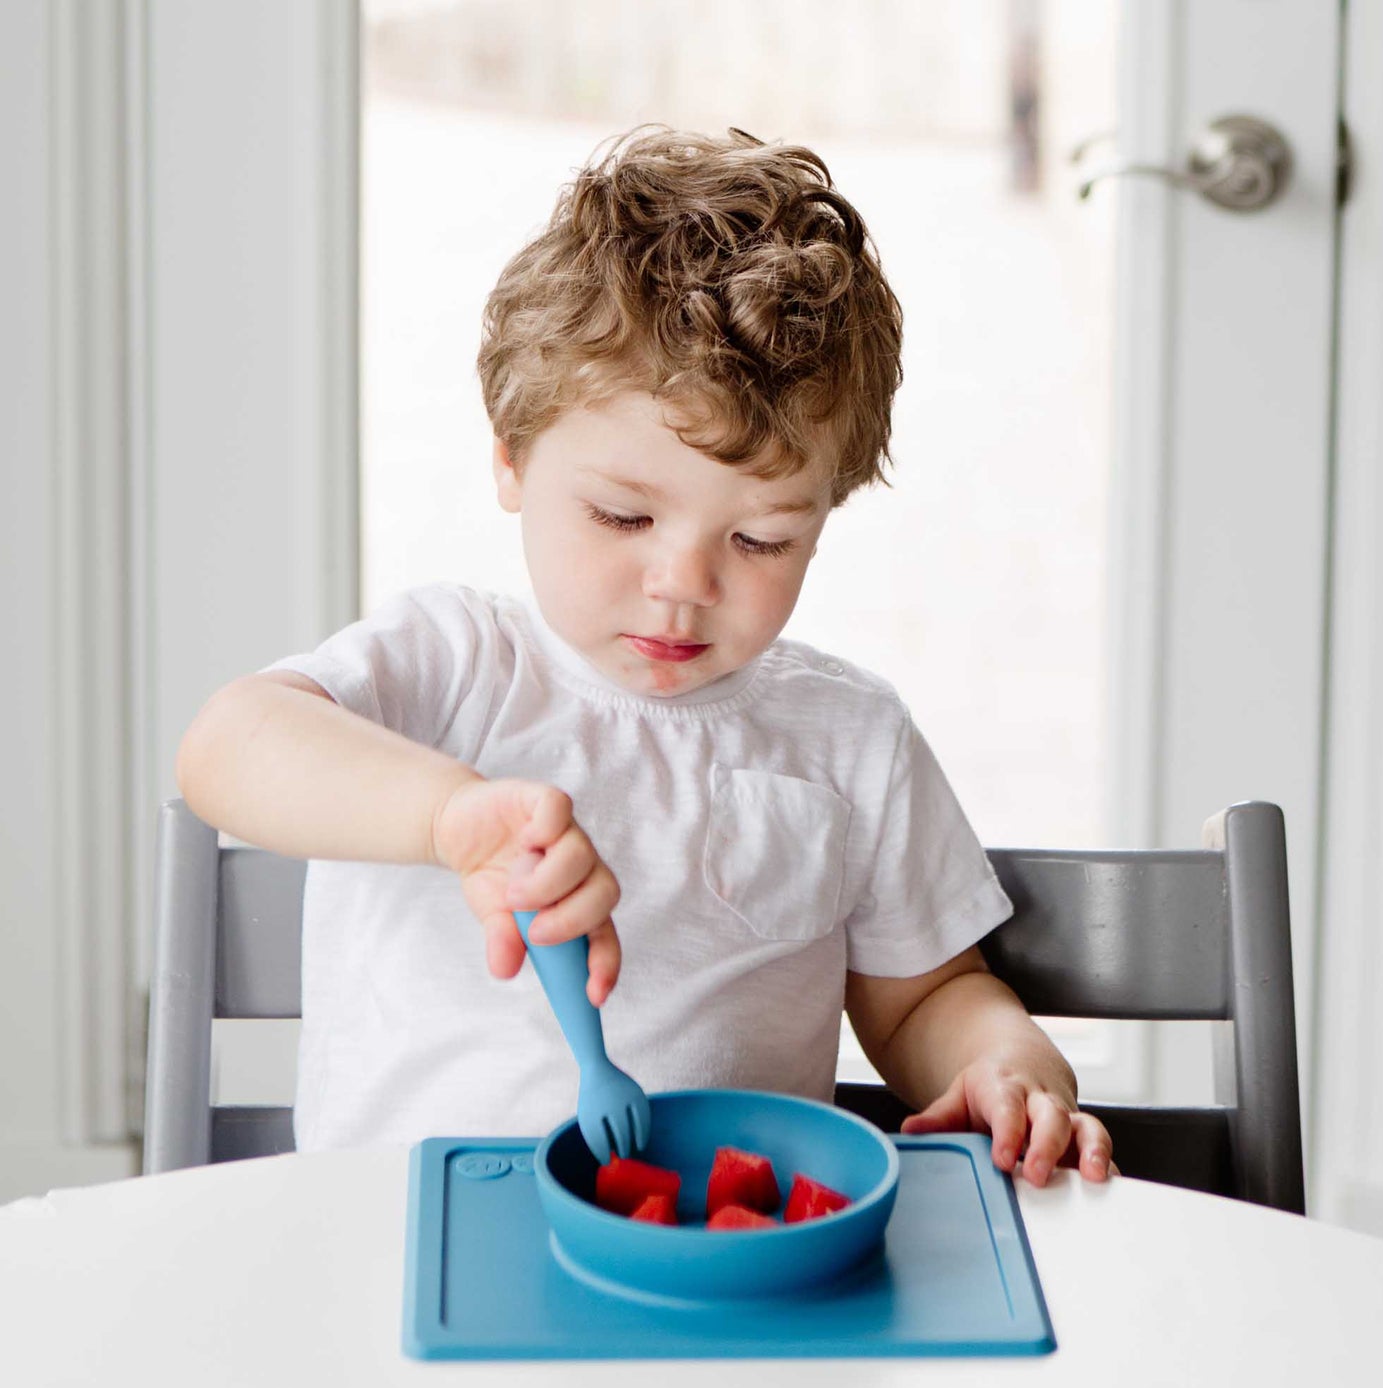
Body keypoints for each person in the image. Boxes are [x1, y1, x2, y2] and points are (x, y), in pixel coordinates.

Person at [177, 125, 1113, 1187]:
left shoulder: (848, 739)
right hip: (401, 1253)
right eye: (623, 516)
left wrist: (1007, 1064)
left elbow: (922, 995)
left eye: (760, 538)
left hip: (718, 1272)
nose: (684, 581)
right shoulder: (446, 666)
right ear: (510, 457)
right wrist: (449, 817)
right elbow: (227, 744)